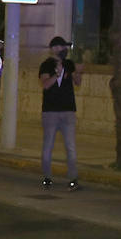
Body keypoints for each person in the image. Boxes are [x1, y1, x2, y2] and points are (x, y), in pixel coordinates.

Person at [38, 35, 82, 190]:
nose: (63, 50)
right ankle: (47, 177)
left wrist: (77, 72)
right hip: (50, 112)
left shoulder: (69, 64)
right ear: (53, 49)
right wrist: (56, 74)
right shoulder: (46, 65)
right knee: (48, 145)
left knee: (70, 146)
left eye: (64, 47)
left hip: (68, 111)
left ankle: (73, 178)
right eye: (60, 47)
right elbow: (45, 85)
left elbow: (78, 82)